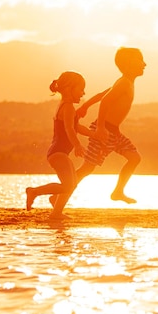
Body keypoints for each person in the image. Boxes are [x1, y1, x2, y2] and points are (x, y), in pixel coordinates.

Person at [52, 47, 146, 208]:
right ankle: (59, 196)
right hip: (104, 131)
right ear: (129, 64)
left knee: (135, 158)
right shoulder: (123, 83)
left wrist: (85, 107)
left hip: (114, 132)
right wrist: (101, 128)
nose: (145, 64)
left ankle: (118, 192)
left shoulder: (125, 82)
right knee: (87, 168)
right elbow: (105, 101)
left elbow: (102, 94)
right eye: (140, 60)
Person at [25, 71, 94, 220]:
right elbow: (70, 129)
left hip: (57, 153)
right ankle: (34, 191)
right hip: (59, 153)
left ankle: (55, 209)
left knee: (71, 183)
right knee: (69, 185)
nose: (83, 93)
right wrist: (77, 145)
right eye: (81, 89)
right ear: (69, 88)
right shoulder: (68, 107)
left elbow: (76, 127)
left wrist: (93, 134)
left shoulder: (64, 106)